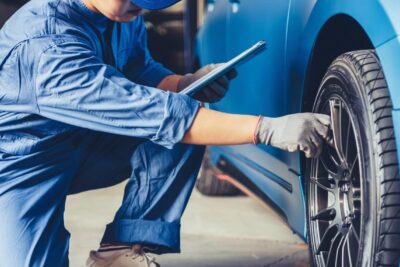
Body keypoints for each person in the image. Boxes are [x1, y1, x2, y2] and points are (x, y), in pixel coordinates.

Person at [0, 0, 331, 266]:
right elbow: (155, 114)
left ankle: (118, 251)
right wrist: (267, 129)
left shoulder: (123, 15)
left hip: (86, 140)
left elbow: (139, 70)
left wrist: (185, 83)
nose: (143, 8)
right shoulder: (44, 46)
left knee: (184, 109)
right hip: (24, 166)